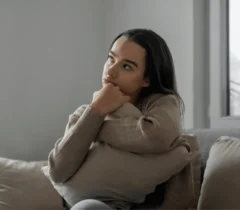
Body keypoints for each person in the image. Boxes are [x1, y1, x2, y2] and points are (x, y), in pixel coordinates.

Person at [43, 28, 195, 210]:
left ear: (146, 79)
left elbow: (156, 137)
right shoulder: (85, 113)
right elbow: (58, 172)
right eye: (110, 58)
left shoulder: (162, 105)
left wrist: (94, 126)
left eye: (126, 66)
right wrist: (95, 112)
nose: (111, 71)